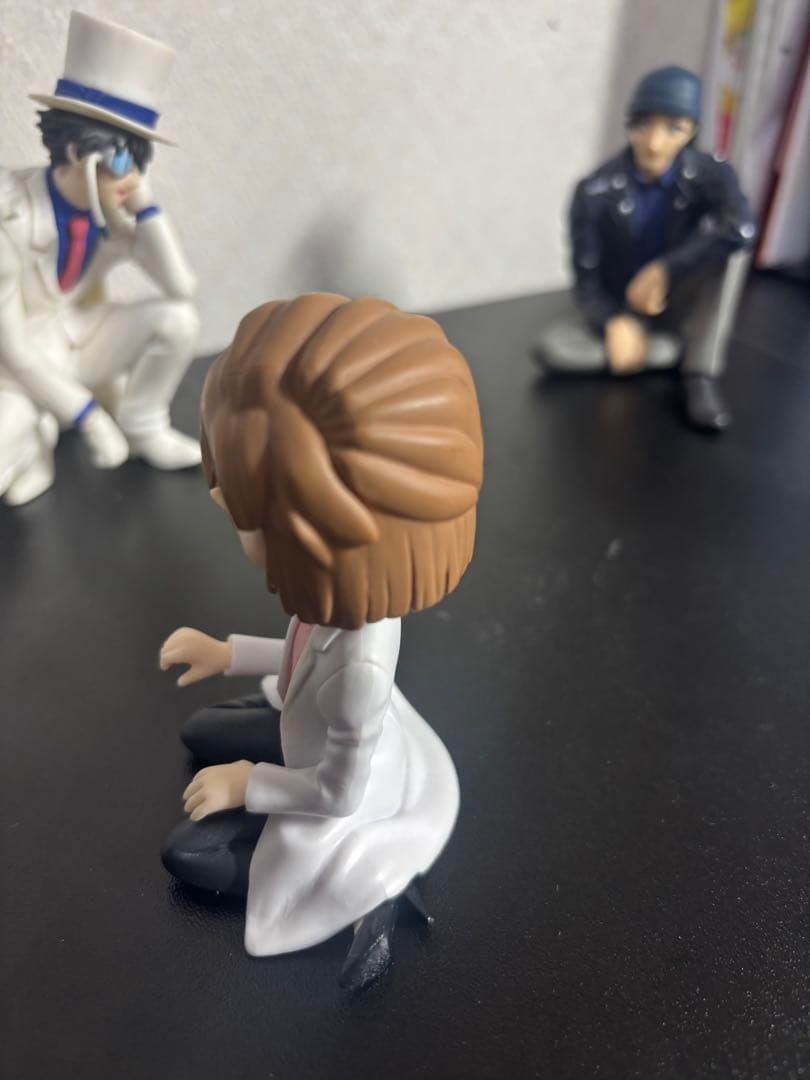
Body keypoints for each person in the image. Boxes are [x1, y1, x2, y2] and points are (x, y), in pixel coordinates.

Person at [158, 293, 484, 990]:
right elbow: (297, 654)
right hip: (307, 726)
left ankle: (362, 898)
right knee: (202, 731)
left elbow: (337, 794)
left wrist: (246, 784)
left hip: (326, 790)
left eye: (250, 513)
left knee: (190, 857)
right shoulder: (333, 606)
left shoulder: (360, 670)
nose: (223, 507)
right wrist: (225, 653)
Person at [0, 12, 200, 506]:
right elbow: (15, 351)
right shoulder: (10, 215)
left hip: (79, 338)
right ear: (76, 150)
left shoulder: (108, 212)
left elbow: (180, 287)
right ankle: (37, 439)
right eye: (121, 160)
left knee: (178, 319)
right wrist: (88, 417)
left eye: (138, 162)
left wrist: (146, 208)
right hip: (18, 362)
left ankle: (144, 424)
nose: (129, 178)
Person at [531, 65, 756, 432]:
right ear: (630, 125)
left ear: (692, 131)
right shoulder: (594, 191)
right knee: (555, 349)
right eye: (644, 125)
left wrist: (666, 268)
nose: (654, 143)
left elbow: (741, 228)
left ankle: (699, 370)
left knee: (731, 257)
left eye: (673, 129)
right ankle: (659, 352)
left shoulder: (711, 174)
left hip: (675, 298)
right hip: (624, 303)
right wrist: (613, 321)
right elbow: (586, 281)